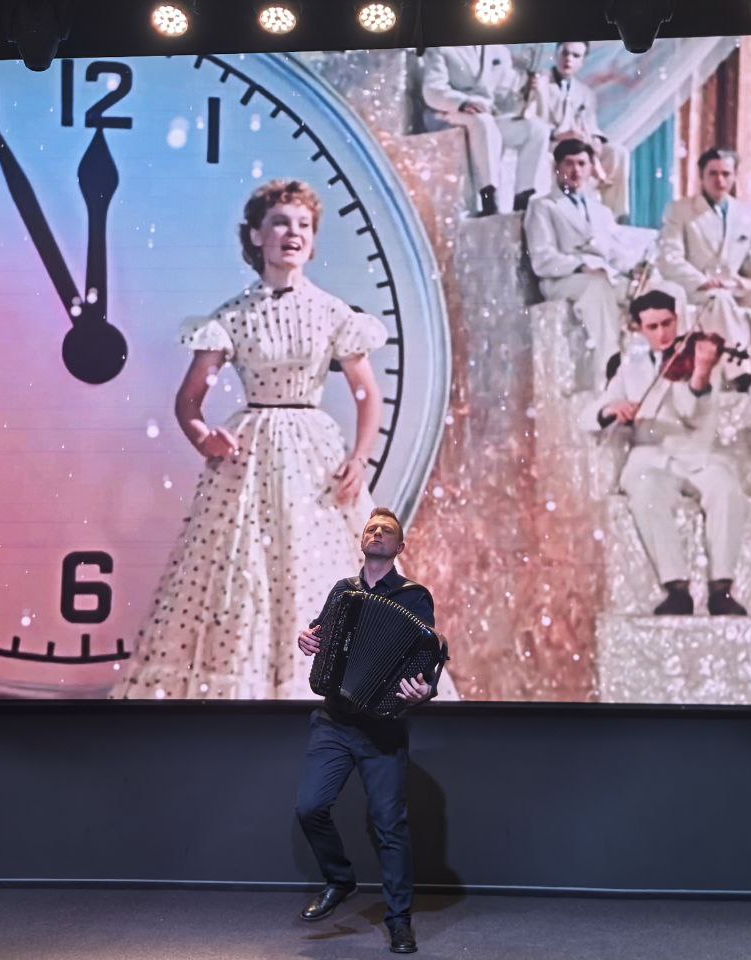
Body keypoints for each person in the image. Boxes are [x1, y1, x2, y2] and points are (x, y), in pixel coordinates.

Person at [112, 179, 388, 700]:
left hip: (313, 456)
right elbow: (188, 400)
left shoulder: (333, 313)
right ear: (257, 236)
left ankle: (319, 689)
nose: (293, 234)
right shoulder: (233, 316)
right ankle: (252, 694)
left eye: (303, 225)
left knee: (315, 566)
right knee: (244, 573)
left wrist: (360, 457)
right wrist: (202, 436)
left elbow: (366, 393)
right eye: (280, 223)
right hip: (251, 457)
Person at [295, 507, 441, 955]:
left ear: (400, 547)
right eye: (371, 528)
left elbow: (426, 659)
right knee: (309, 807)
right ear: (362, 539)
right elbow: (321, 638)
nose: (377, 533)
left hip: (382, 728)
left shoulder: (416, 597)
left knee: (389, 827)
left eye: (386, 531)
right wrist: (307, 640)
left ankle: (399, 920)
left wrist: (424, 691)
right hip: (334, 721)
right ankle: (340, 880)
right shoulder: (344, 591)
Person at [582, 290, 749, 616]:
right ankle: (676, 588)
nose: (663, 334)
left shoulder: (699, 356)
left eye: (668, 323)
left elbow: (690, 412)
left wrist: (700, 373)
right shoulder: (629, 367)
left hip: (697, 453)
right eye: (653, 326)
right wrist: (612, 409)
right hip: (651, 457)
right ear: (638, 328)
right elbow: (589, 415)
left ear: (677, 319)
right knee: (645, 494)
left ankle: (721, 588)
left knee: (726, 489)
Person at [525, 138, 680, 389]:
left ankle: (667, 366)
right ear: (556, 168)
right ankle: (608, 372)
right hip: (563, 280)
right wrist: (581, 264)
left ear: (590, 169)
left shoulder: (600, 210)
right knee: (598, 287)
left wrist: (636, 267)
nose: (575, 170)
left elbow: (614, 252)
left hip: (604, 276)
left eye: (581, 164)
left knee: (660, 290)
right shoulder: (543, 206)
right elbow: (542, 260)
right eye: (568, 163)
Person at [658, 147, 751, 385]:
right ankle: (738, 370)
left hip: (732, 286)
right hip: (698, 289)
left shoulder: (745, 214)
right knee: (720, 299)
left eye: (726, 174)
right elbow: (669, 258)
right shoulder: (680, 211)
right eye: (713, 174)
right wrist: (703, 281)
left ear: (734, 176)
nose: (720, 181)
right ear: (701, 176)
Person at [419, 44, 552, 216]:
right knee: (484, 122)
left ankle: (522, 198)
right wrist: (462, 103)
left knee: (537, 130)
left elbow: (504, 99)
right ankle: (489, 197)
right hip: (449, 112)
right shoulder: (441, 48)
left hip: (486, 115)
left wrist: (526, 88)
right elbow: (432, 90)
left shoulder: (498, 50)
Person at [526, 40, 631, 220]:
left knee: (617, 152)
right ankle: (555, 213)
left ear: (582, 61)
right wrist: (557, 134)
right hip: (550, 144)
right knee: (552, 159)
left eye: (576, 56)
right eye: (565, 53)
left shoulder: (585, 92)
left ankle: (614, 215)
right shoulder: (539, 82)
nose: (569, 59)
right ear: (556, 54)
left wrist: (595, 140)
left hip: (579, 144)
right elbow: (529, 119)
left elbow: (591, 125)